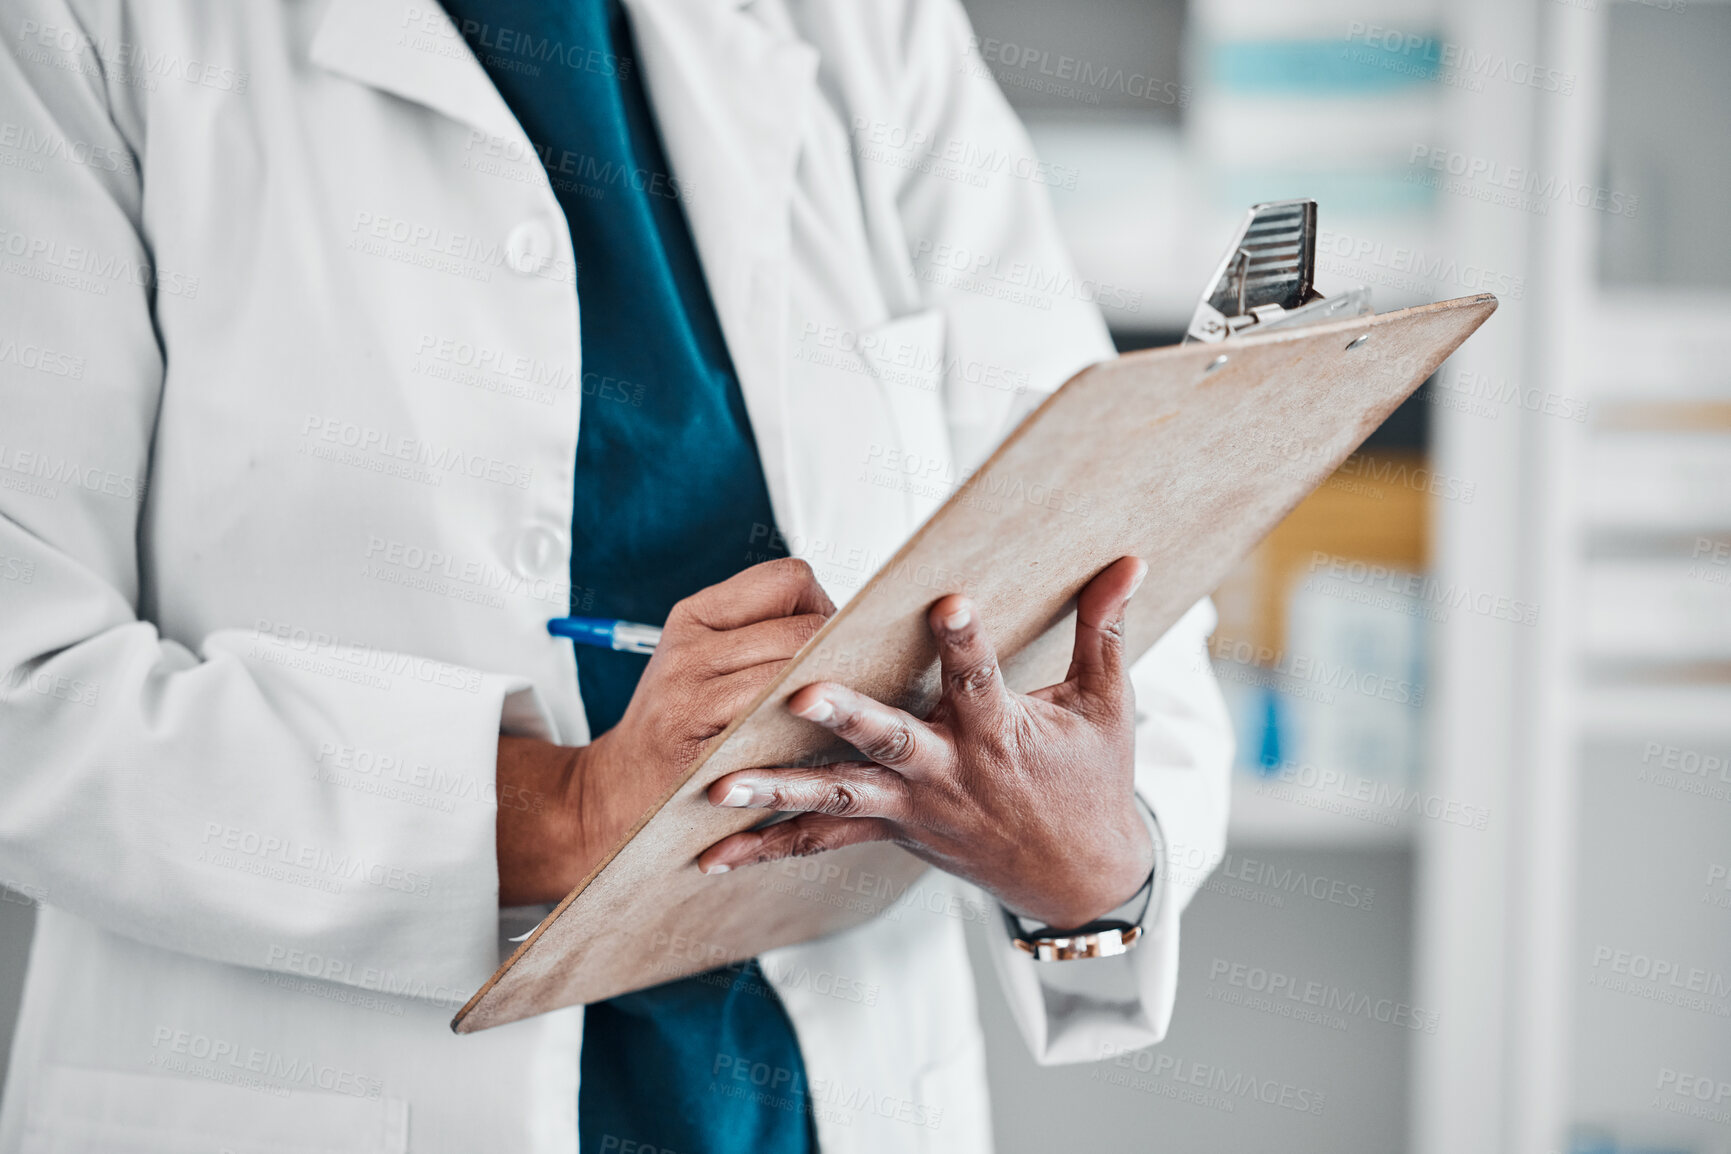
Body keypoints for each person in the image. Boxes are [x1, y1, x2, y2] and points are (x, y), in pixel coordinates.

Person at [0, 0, 1233, 1150]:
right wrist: (566, 805)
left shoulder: (865, 24)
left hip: (817, 1089)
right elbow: (26, 686)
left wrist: (1092, 864)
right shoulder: (94, 31)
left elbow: (1106, 541)